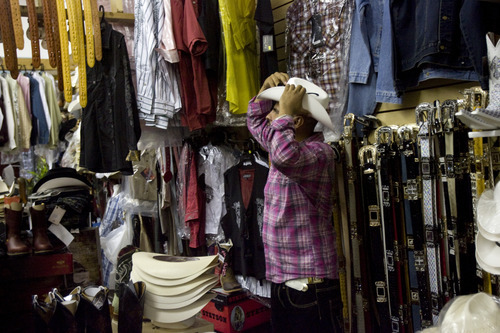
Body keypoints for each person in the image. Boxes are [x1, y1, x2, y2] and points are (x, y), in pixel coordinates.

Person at [247, 72, 343, 333]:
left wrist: (285, 114)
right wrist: (265, 92)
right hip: (287, 283)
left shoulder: (318, 154)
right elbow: (256, 122)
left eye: (276, 110)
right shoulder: (282, 144)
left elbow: (285, 158)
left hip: (310, 288)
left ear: (295, 120)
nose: (270, 117)